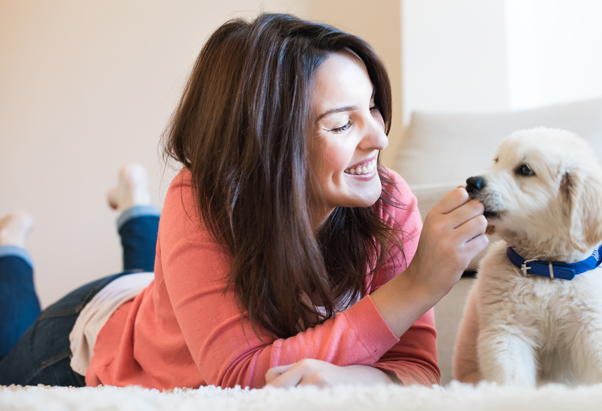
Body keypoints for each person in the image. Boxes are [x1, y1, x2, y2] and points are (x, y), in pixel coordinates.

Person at [0, 13, 488, 389]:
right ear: (267, 142)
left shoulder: (387, 201)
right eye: (342, 124)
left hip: (166, 300)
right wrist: (418, 286)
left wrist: (344, 378)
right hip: (92, 334)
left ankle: (134, 208)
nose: (379, 138)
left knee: (161, 279)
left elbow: (416, 370)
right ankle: (13, 247)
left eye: (374, 109)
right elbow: (237, 375)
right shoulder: (203, 197)